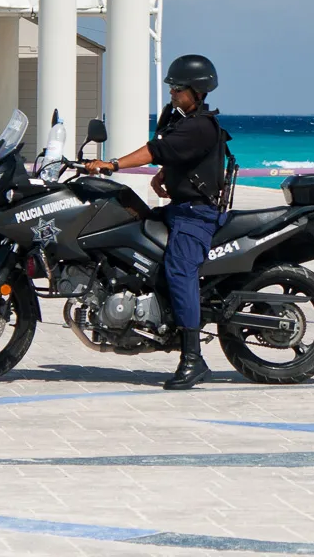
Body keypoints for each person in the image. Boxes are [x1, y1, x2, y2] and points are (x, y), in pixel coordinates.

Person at [86, 54, 228, 390]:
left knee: (180, 270)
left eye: (179, 88)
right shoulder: (180, 120)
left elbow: (156, 149)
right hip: (179, 208)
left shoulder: (200, 125)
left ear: (198, 90)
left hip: (196, 214)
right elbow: (178, 156)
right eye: (171, 87)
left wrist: (112, 164)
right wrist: (165, 175)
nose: (173, 92)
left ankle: (193, 359)